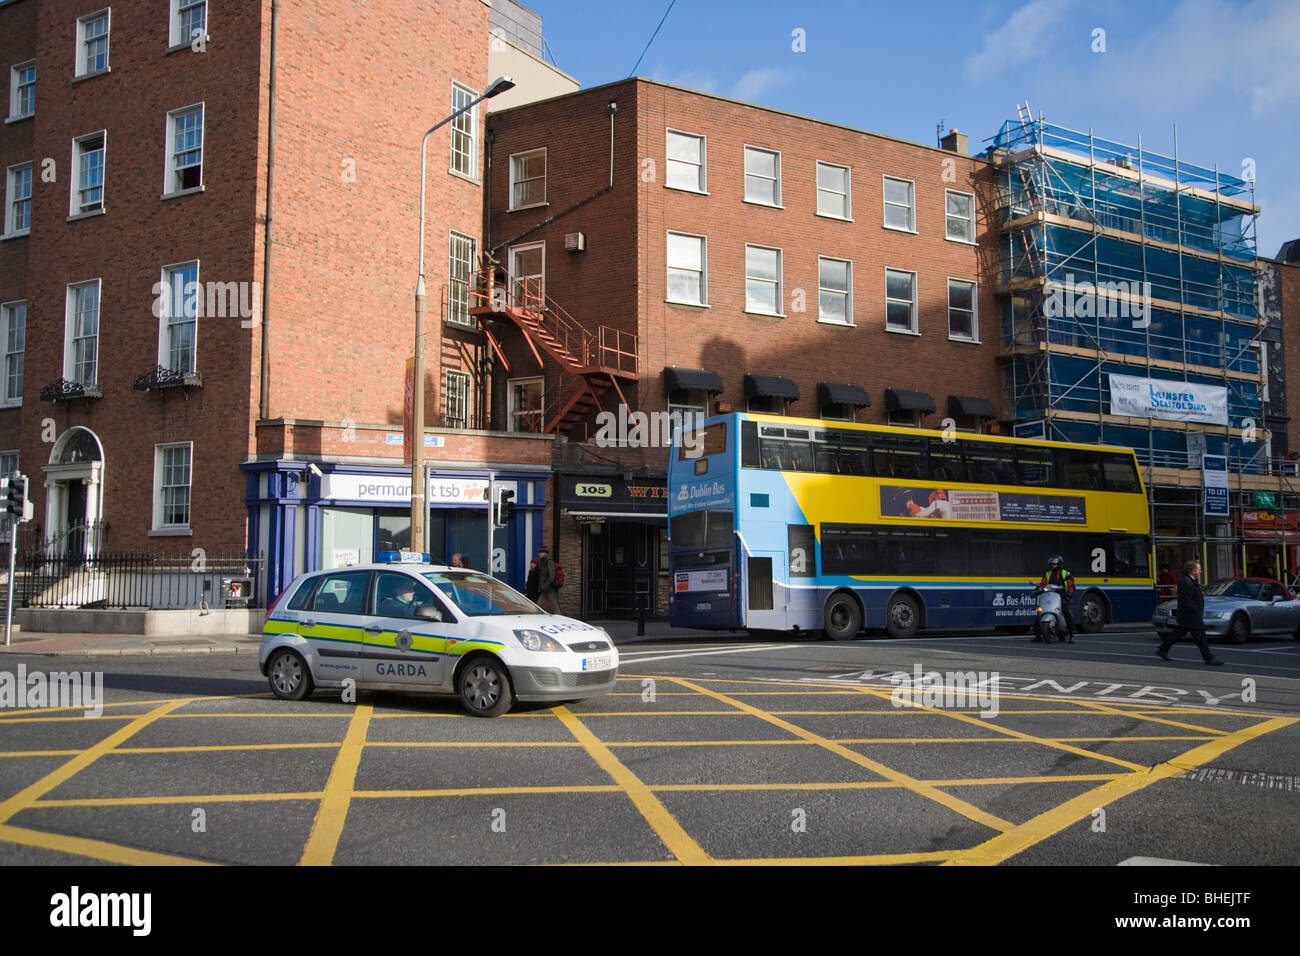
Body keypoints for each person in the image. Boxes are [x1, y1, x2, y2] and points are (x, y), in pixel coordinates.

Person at [1158, 559, 1223, 665]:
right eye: (1199, 569)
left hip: (1189, 615)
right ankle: (1208, 658)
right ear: (1192, 570)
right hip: (1191, 615)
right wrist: (1195, 610)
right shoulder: (1186, 581)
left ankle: (1162, 649)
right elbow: (1185, 599)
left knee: (1178, 633)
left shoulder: (1190, 580)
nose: (1200, 571)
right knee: (1200, 637)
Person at [1036, 554, 1076, 642]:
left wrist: (1068, 595)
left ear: (1059, 565)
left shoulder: (1066, 574)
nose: (1053, 566)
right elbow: (1043, 583)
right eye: (1051, 564)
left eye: (1055, 564)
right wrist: (1039, 589)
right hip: (1050, 595)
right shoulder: (1047, 574)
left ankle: (1071, 634)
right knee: (1039, 611)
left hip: (1062, 596)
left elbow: (1071, 586)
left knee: (1066, 611)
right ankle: (1038, 635)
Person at [536, 546, 557, 613]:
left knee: (554, 606)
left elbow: (552, 576)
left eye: (540, 552)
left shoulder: (549, 561)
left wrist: (544, 585)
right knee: (539, 605)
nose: (539, 554)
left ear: (544, 553)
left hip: (550, 589)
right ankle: (535, 619)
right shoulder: (543, 561)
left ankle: (561, 618)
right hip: (544, 589)